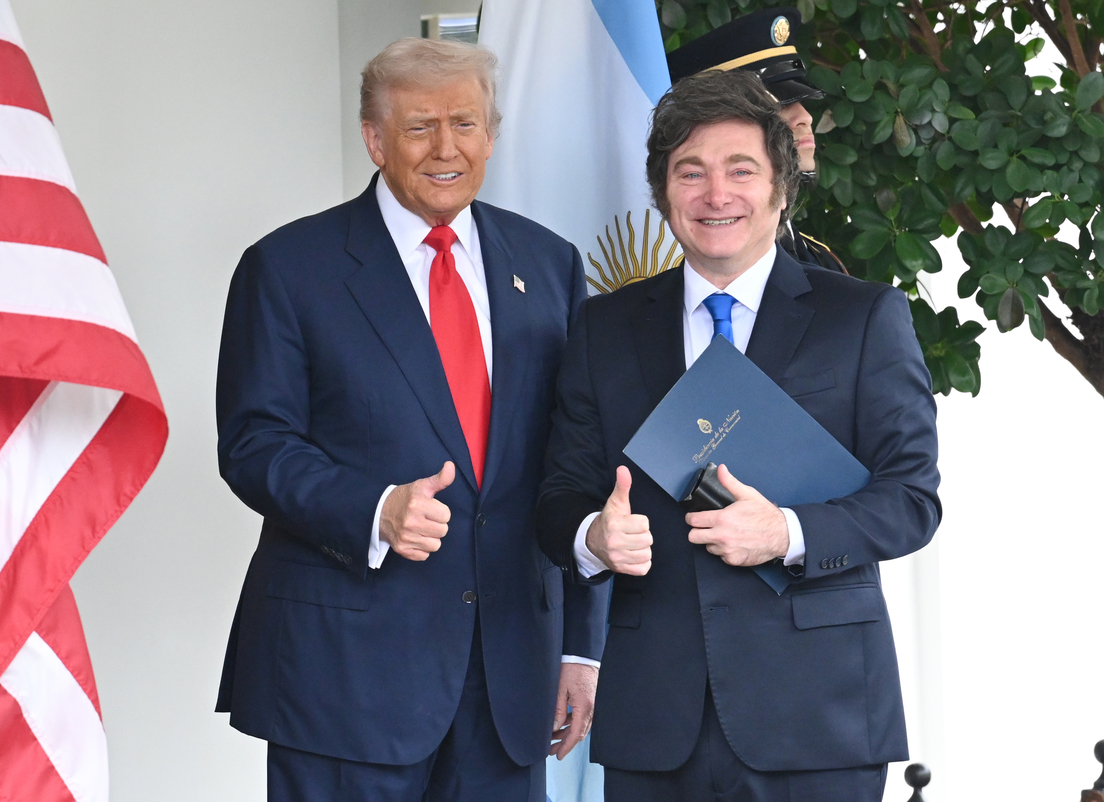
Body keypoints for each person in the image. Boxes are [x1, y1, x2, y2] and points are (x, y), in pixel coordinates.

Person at [214, 37, 606, 802]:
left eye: (465, 124)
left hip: (510, 673)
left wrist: (581, 649)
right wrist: (374, 509)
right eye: (420, 127)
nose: (446, 148)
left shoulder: (549, 263)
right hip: (345, 677)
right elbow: (255, 443)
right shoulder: (289, 267)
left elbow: (578, 460)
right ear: (375, 140)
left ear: (491, 135)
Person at [536, 69, 940, 801]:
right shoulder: (603, 328)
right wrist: (593, 536)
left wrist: (786, 532)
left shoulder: (863, 317)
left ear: (781, 188)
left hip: (819, 716)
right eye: (690, 172)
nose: (715, 194)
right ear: (663, 194)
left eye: (741, 170)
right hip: (656, 721)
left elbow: (912, 500)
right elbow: (559, 493)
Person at [667, 6, 849, 272]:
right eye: (776, 107)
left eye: (800, 102)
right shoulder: (681, 256)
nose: (805, 117)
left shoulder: (819, 258)